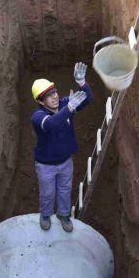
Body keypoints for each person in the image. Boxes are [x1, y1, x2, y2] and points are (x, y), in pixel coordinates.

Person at [31, 62, 92, 232]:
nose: (55, 96)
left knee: (65, 190)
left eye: (55, 92)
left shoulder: (64, 105)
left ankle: (63, 215)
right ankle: (45, 214)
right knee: (48, 193)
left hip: (65, 162)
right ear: (41, 101)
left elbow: (88, 99)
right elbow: (52, 124)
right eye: (49, 95)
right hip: (46, 166)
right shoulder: (38, 117)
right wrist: (70, 108)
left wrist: (82, 83)